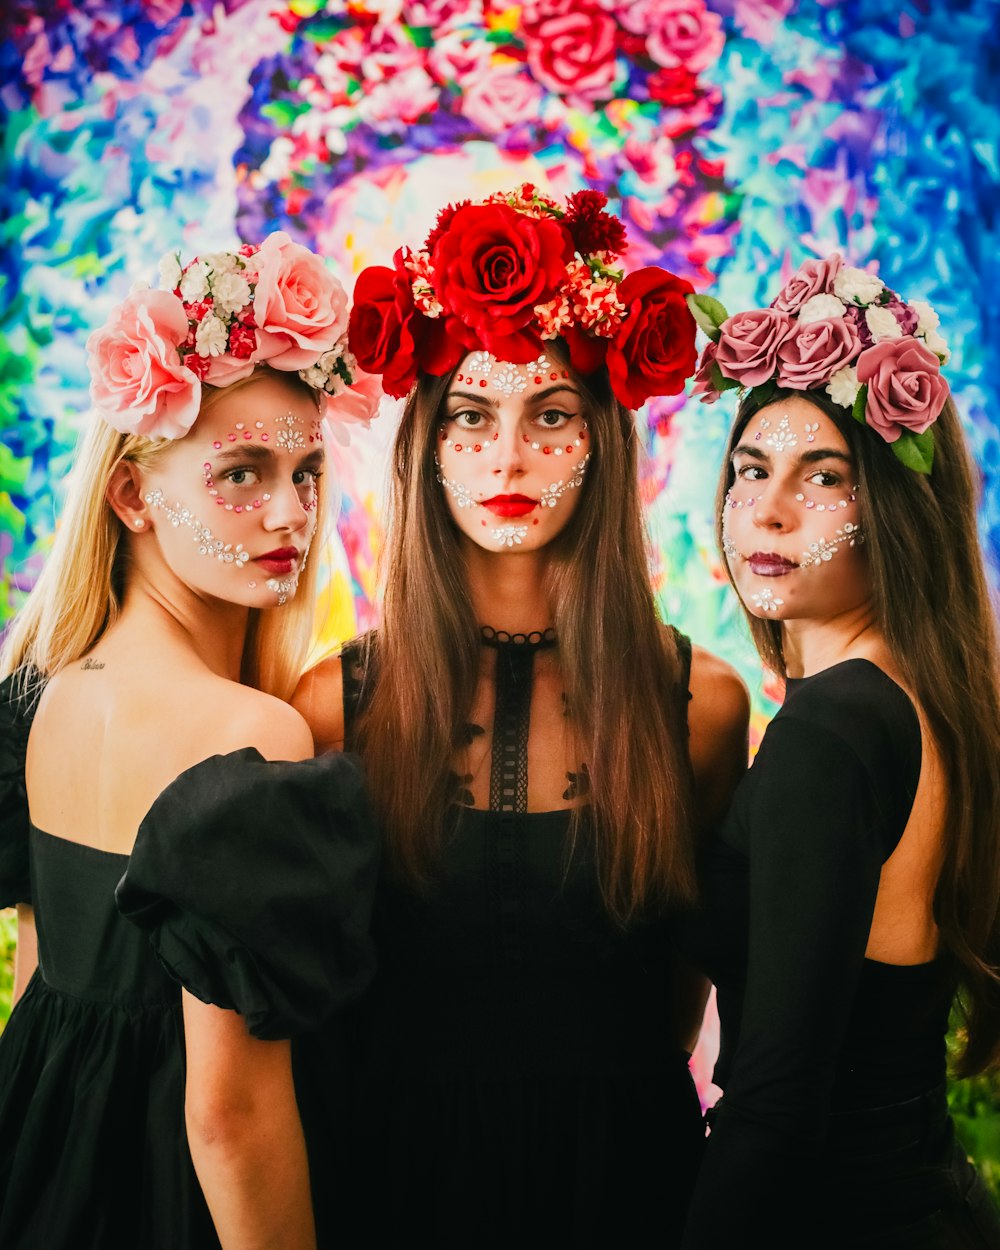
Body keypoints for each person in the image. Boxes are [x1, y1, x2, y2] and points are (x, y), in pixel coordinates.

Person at [292, 183, 750, 1248]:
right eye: (471, 416)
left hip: (628, 1182)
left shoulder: (705, 706)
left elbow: (684, 992)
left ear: (602, 440)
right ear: (424, 444)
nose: (508, 456)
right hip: (390, 1184)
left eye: (549, 414)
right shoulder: (330, 706)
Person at [0, 234, 380, 1250]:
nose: (288, 514)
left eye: (305, 472)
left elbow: (44, 977)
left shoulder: (40, 694)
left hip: (49, 1162)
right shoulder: (248, 732)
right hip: (179, 1192)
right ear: (130, 495)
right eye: (241, 475)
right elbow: (230, 1112)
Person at [679, 255, 1000, 1247]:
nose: (767, 511)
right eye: (749, 470)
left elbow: (775, 1105)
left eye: (823, 476)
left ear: (895, 506)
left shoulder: (832, 731)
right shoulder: (931, 699)